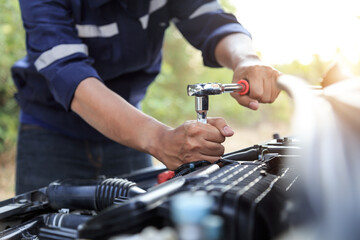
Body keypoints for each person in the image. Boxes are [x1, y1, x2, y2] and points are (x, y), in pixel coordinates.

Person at [12, 0, 280, 194]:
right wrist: (160, 139)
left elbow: (211, 19)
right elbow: (68, 72)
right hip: (50, 133)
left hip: (129, 133)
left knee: (137, 224)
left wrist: (245, 59)